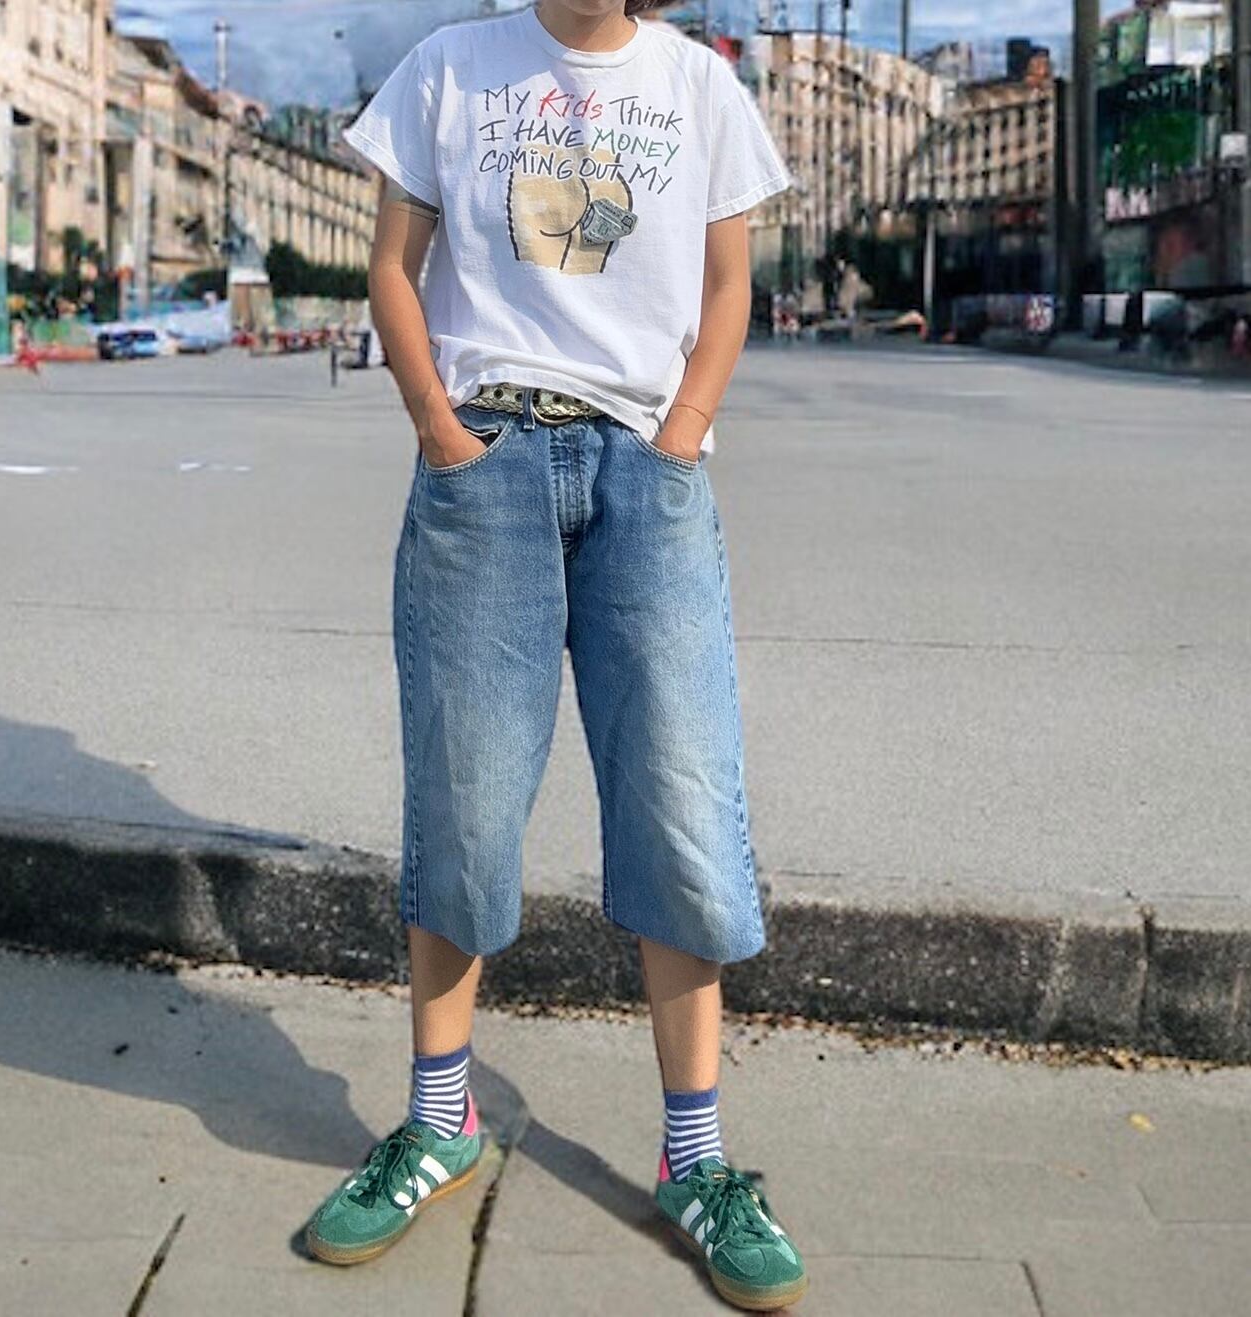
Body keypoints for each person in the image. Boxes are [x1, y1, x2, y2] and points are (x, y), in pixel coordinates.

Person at [307, 2, 805, 1309]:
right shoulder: (449, 68)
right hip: (487, 458)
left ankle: (695, 1157)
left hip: (648, 471)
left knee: (680, 797)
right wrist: (439, 428)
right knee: (464, 797)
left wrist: (683, 431)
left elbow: (728, 285)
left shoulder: (698, 85)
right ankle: (440, 1120)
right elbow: (392, 268)